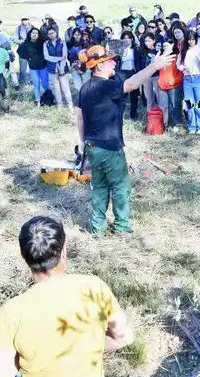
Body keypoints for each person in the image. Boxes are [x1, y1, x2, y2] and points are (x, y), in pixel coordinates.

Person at [0, 216, 134, 377]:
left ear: (24, 256)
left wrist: (29, 360)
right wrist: (86, 346)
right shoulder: (95, 287)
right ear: (64, 250)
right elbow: (124, 337)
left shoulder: (12, 311)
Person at [75, 44, 175, 234]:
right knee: (120, 186)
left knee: (99, 187)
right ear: (98, 66)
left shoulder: (85, 88)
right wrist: (155, 66)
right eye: (109, 60)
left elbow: (79, 117)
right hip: (110, 148)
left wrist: (82, 143)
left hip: (91, 146)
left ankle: (98, 228)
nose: (114, 63)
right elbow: (132, 84)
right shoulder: (107, 86)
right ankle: (121, 227)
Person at [177, 29, 200, 134]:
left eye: (193, 39)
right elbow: (178, 64)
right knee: (189, 103)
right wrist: (183, 67)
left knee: (199, 104)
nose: (191, 42)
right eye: (189, 40)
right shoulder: (183, 51)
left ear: (196, 40)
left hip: (199, 78)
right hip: (187, 79)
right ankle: (192, 126)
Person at [159, 23, 186, 129]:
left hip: (175, 84)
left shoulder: (177, 56)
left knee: (176, 105)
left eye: (167, 45)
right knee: (164, 106)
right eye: (163, 46)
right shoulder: (160, 56)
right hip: (162, 85)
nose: (165, 47)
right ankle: (164, 124)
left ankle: (178, 124)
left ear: (172, 45)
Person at [18, 28, 49, 105]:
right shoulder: (26, 44)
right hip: (33, 68)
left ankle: (45, 98)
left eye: (36, 33)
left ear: (38, 35)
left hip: (43, 67)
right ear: (30, 34)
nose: (34, 34)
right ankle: (37, 100)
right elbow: (19, 51)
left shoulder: (42, 43)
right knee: (36, 84)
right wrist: (28, 57)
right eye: (33, 33)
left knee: (45, 84)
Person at [44, 27, 72, 108]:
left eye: (52, 33)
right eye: (49, 34)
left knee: (65, 87)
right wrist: (59, 58)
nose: (51, 35)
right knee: (56, 88)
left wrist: (62, 68)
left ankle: (70, 104)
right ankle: (60, 104)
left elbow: (64, 56)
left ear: (56, 33)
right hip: (52, 68)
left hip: (62, 68)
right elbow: (47, 57)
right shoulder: (46, 44)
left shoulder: (62, 42)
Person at [136, 33, 162, 117]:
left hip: (157, 76)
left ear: (154, 41)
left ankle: (162, 119)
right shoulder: (142, 51)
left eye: (149, 41)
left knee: (160, 98)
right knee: (149, 99)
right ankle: (150, 119)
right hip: (147, 77)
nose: (147, 43)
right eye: (146, 41)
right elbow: (140, 64)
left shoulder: (158, 51)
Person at [116, 31, 140, 120]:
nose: (126, 40)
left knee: (134, 95)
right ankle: (120, 114)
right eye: (124, 38)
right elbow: (116, 62)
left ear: (132, 39)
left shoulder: (136, 49)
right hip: (122, 73)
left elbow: (139, 62)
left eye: (128, 38)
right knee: (122, 95)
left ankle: (133, 114)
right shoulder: (120, 50)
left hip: (133, 72)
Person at [14, 17, 34, 83]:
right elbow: (15, 39)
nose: (24, 21)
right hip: (22, 50)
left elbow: (37, 38)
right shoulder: (18, 28)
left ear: (29, 20)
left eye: (26, 20)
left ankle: (32, 81)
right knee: (22, 68)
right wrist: (23, 41)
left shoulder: (33, 27)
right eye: (23, 20)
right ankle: (22, 83)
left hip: (32, 51)